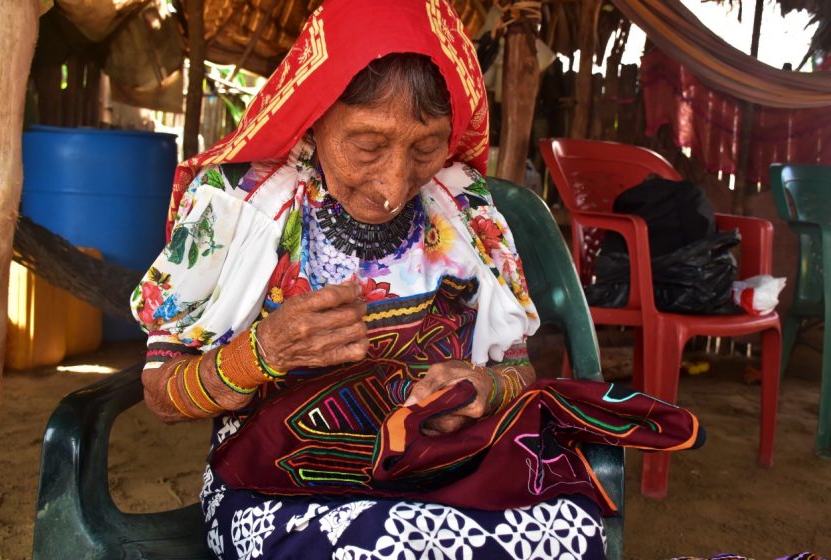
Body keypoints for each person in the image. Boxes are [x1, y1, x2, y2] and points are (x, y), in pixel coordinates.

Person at [131, 1, 702, 558]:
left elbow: (517, 370)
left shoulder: (468, 209)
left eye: (426, 147)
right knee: (369, 548)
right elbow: (160, 393)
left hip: (442, 466)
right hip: (281, 482)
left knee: (568, 533)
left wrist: (482, 389)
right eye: (368, 145)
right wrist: (259, 355)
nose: (394, 184)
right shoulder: (238, 209)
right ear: (313, 116)